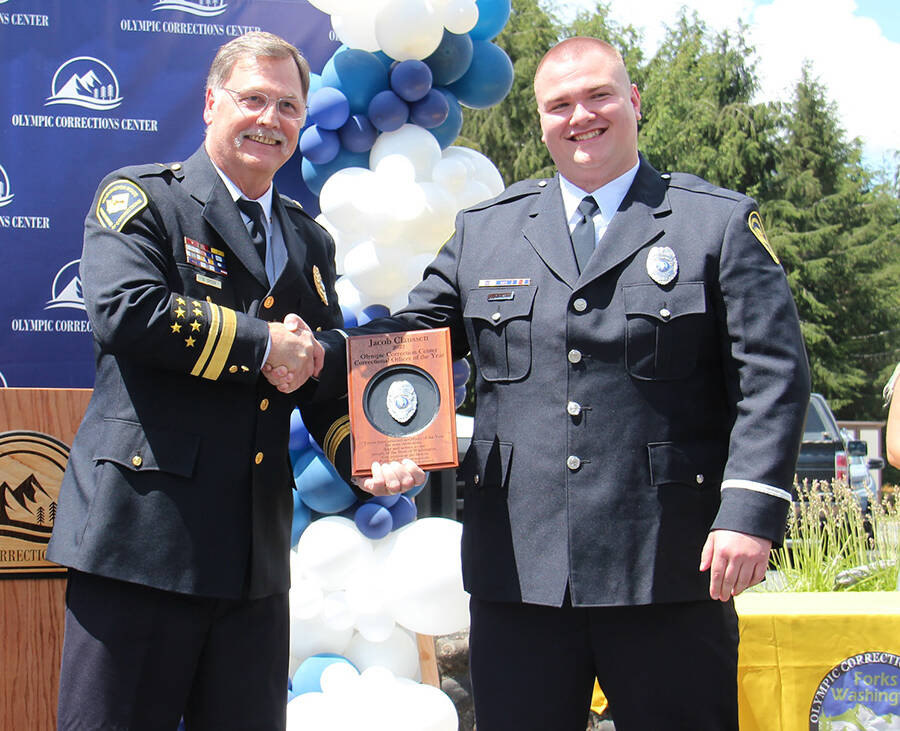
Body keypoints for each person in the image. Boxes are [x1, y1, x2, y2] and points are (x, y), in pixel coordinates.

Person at [297, 36, 810, 730]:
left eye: (598, 95)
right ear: (541, 120)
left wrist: (748, 514)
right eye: (559, 104)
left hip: (667, 564)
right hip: (521, 575)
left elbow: (774, 378)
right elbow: (415, 337)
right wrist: (349, 388)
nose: (581, 116)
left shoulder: (713, 223)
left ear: (632, 101)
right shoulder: (487, 232)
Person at [47, 32, 421, 730]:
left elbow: (316, 382)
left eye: (288, 105)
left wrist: (366, 458)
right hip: (141, 546)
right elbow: (128, 312)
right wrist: (262, 343)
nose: (270, 119)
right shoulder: (144, 200)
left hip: (252, 562)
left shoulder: (309, 241)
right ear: (211, 103)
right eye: (253, 99)